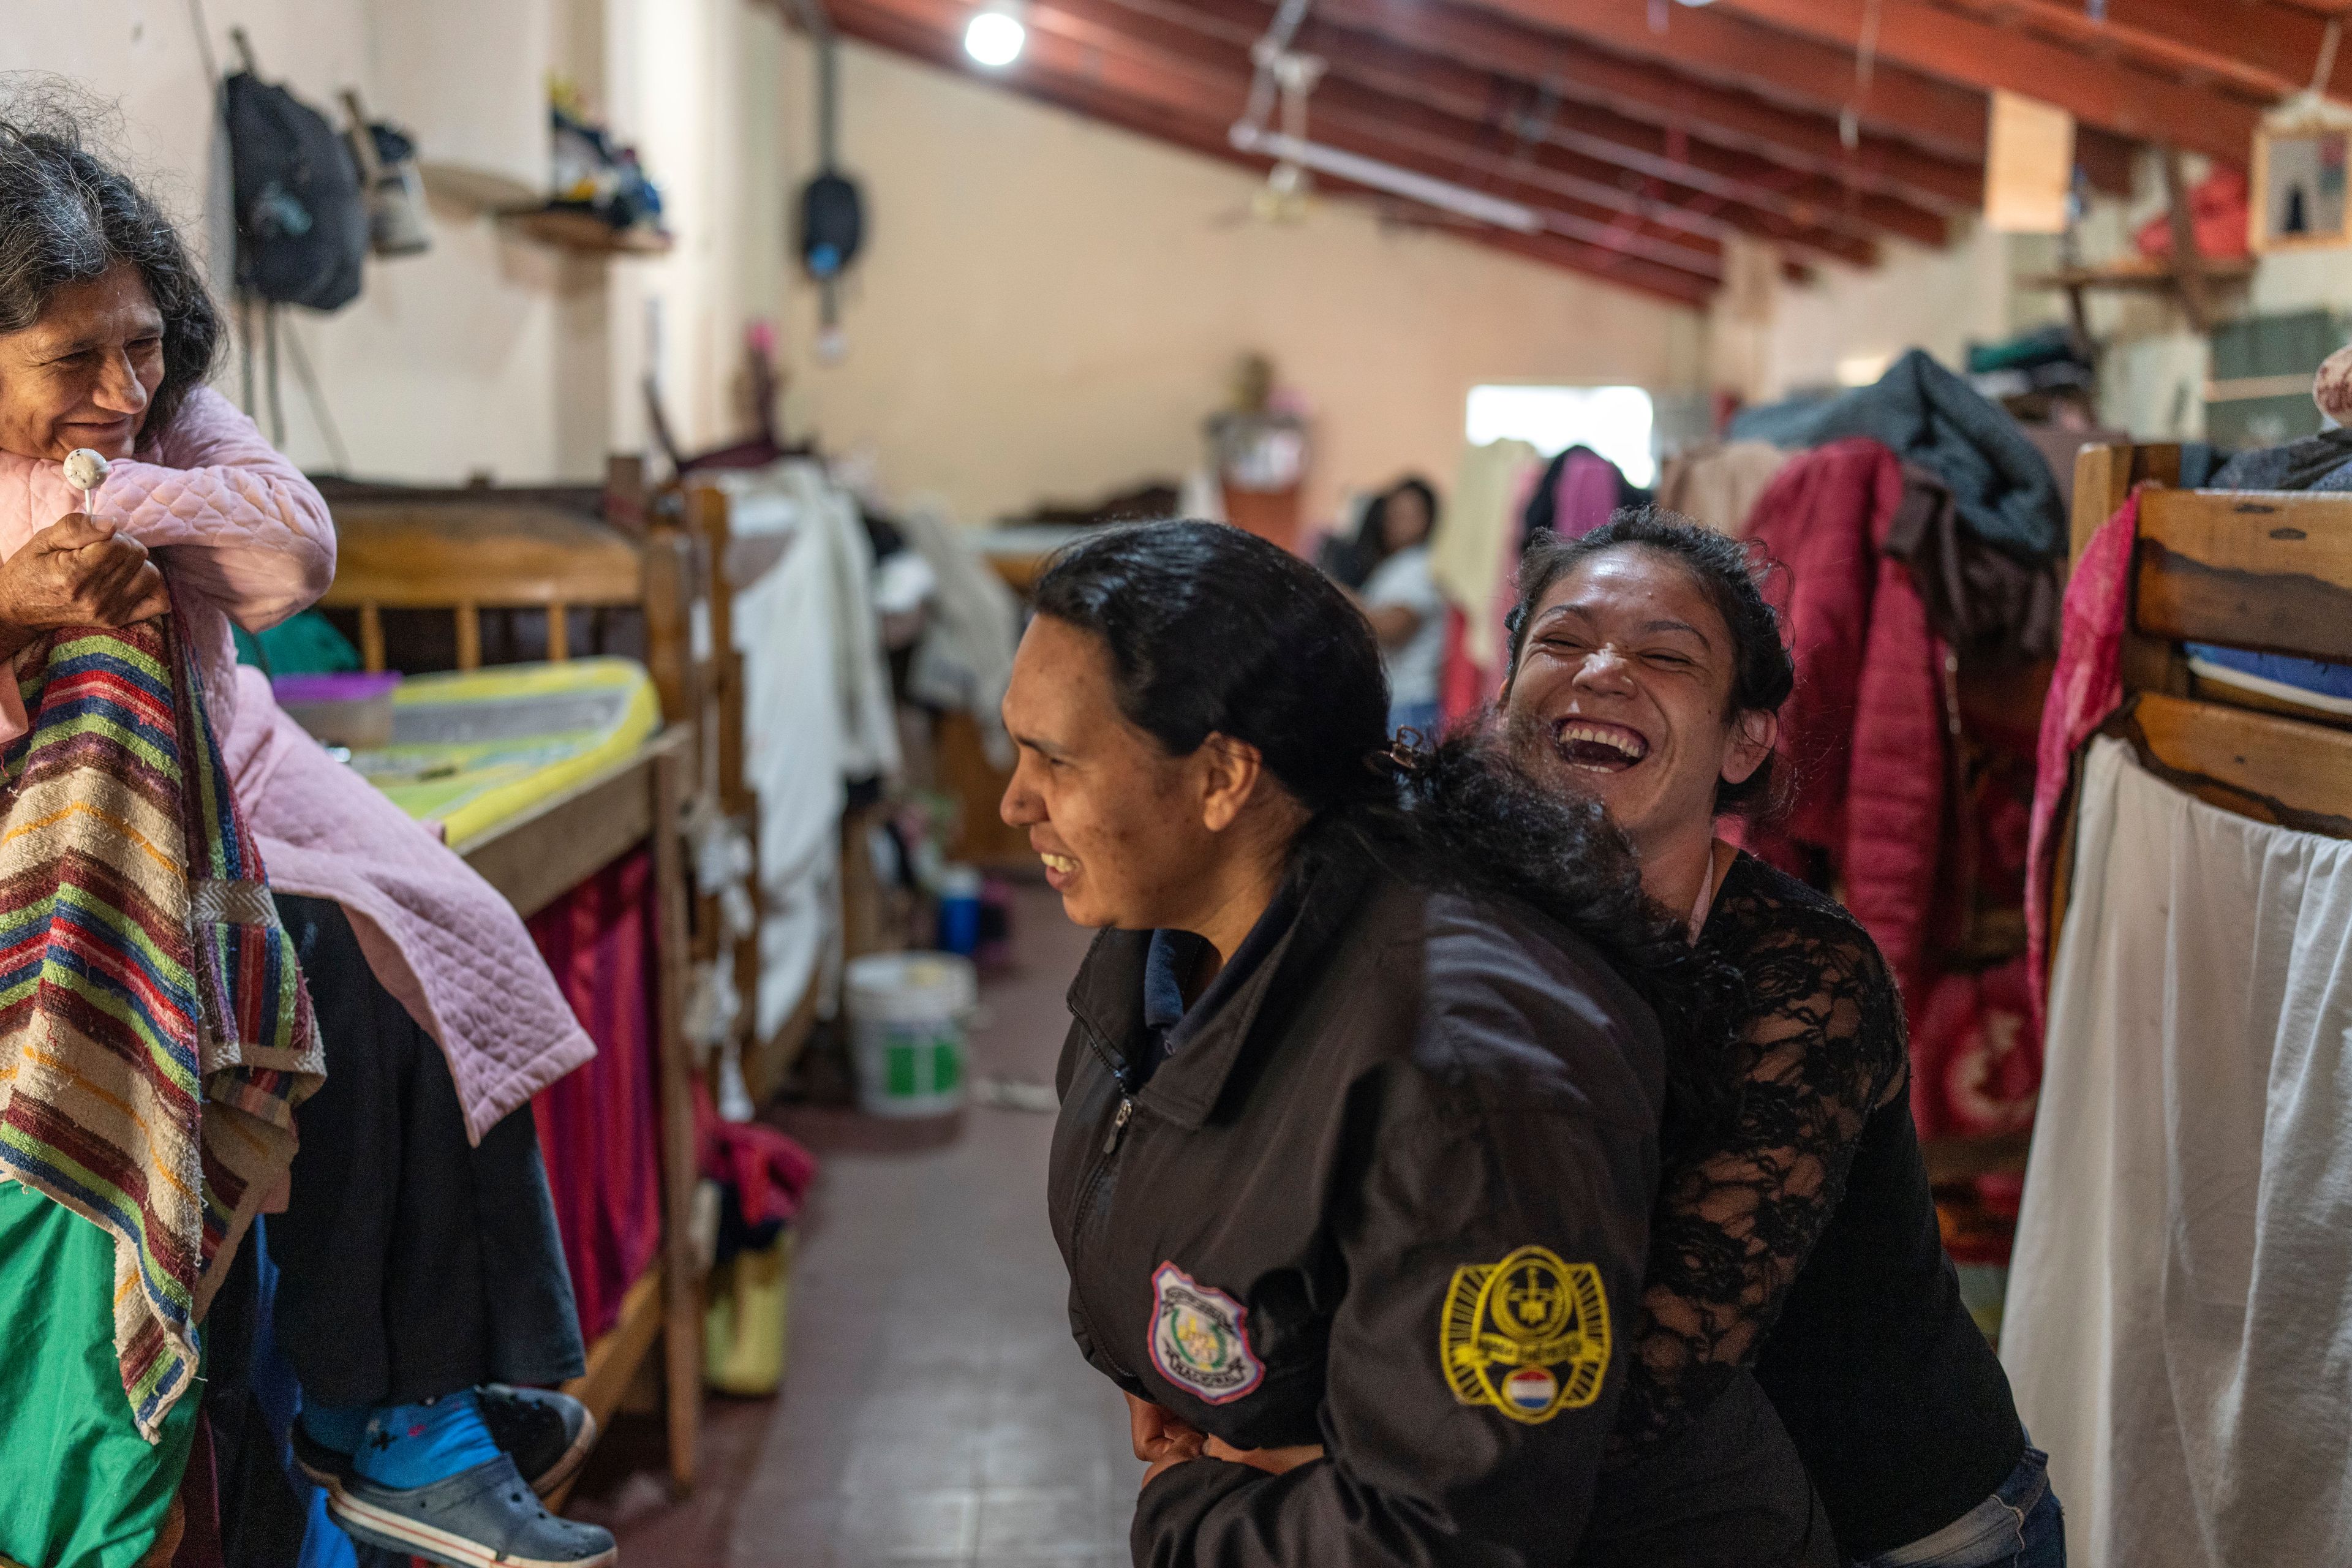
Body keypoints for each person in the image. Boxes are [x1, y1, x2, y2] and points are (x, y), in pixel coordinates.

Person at [0, 104, 610, 1566]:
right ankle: (380, 1406)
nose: (120, 385)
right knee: (334, 964)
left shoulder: (158, 415)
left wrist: (105, 490)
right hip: (63, 827)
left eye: (140, 341)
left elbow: (289, 551)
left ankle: (441, 1397)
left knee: (451, 930)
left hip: (235, 758)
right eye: (70, 361)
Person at [1000, 518, 1836, 1566]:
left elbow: (1446, 1533)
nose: (1015, 802)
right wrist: (1165, 1376)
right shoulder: (1164, 944)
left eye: (1055, 760)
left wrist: (1185, 1508)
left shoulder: (1468, 1078)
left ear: (1220, 780)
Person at [1498, 508, 2062, 1568]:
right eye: (1560, 642)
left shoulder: (1807, 974)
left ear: (1744, 739)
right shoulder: (1462, 919)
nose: (1603, 670)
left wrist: (1329, 1453)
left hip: (1899, 1531)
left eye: (1665, 655)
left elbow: (1667, 1361)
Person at [1352, 475, 1447, 737]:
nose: (1398, 522)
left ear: (1429, 519)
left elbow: (1393, 628)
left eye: (1409, 513)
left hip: (1410, 708)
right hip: (1400, 705)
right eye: (1394, 513)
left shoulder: (1421, 565)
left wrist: (1332, 592)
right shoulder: (1396, 565)